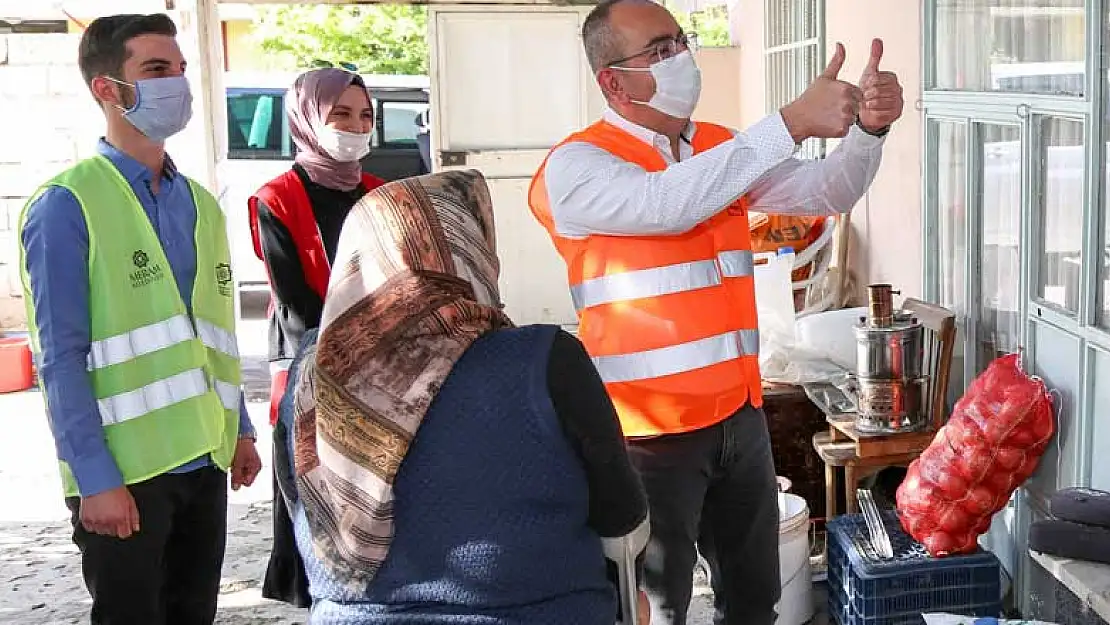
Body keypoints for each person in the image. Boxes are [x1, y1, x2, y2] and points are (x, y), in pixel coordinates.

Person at [528, 1, 905, 623]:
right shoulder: (575, 167)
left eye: (681, 40)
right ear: (613, 82)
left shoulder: (717, 148)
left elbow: (829, 191)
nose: (681, 57)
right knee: (655, 606)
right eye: (657, 50)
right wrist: (791, 122)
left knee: (755, 598)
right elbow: (665, 204)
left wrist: (868, 131)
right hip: (647, 436)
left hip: (739, 416)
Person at [282, 169, 651, 624]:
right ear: (470, 249)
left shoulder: (313, 372)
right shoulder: (544, 360)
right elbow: (621, 515)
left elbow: (304, 509)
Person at [17, 13, 262, 625]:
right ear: (107, 88)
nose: (175, 84)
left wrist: (242, 429)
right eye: (156, 70)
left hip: (203, 460)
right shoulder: (66, 205)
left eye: (178, 70)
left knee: (192, 614)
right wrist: (95, 479)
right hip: (124, 475)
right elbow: (59, 359)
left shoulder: (199, 203)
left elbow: (212, 336)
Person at [245, 67, 386, 607]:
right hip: (308, 362)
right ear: (308, 119)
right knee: (312, 480)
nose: (355, 126)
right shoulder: (275, 198)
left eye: (365, 116)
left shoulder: (378, 191)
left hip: (377, 359)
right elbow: (295, 301)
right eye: (341, 115)